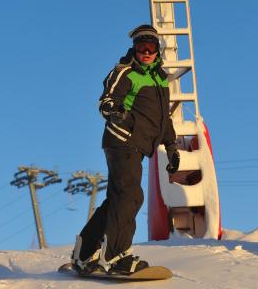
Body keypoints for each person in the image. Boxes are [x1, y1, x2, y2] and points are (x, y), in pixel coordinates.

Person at [71, 24, 180, 275]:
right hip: (121, 140)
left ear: (157, 50)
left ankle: (84, 253)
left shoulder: (160, 78)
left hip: (137, 145)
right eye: (141, 46)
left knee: (118, 199)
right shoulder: (125, 72)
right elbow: (106, 100)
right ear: (134, 48)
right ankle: (115, 256)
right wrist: (114, 111)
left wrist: (171, 146)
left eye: (150, 47)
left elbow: (163, 118)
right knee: (131, 196)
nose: (146, 51)